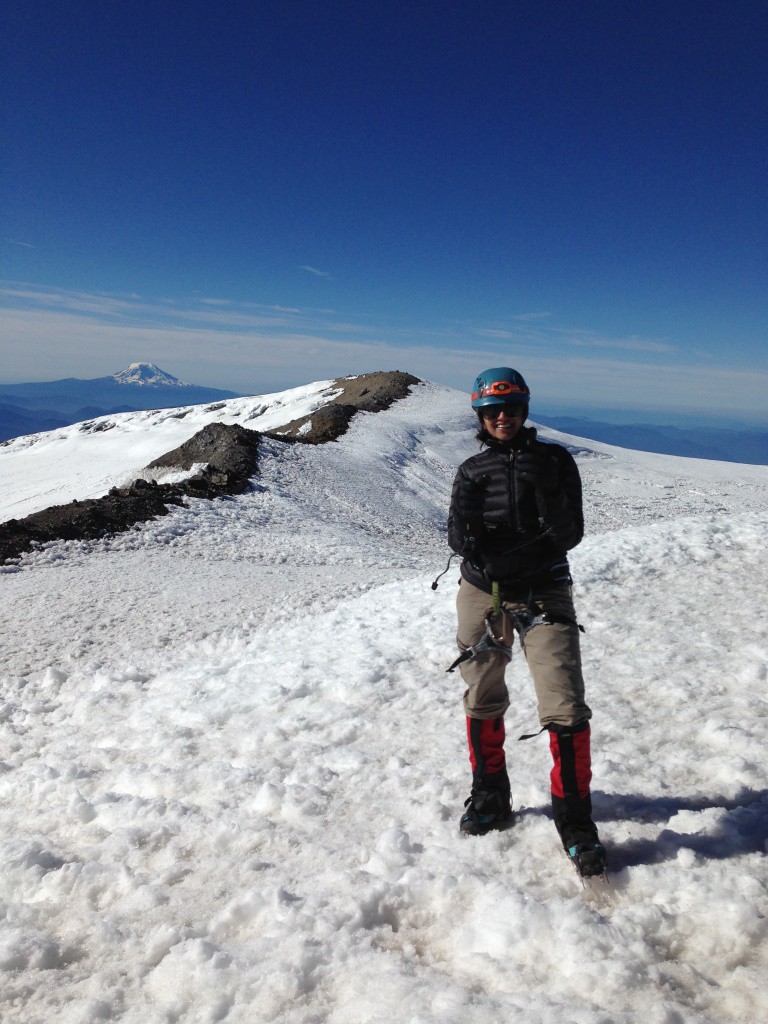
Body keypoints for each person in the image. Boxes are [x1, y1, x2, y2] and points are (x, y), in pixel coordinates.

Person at [447, 366, 606, 877]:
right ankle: (489, 794)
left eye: (511, 408)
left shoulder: (555, 462)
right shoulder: (473, 470)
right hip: (483, 589)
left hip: (543, 589)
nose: (502, 417)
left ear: (525, 410)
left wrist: (546, 491)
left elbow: (571, 533)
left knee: (563, 702)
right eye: (493, 410)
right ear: (480, 414)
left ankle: (576, 823)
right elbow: (455, 533)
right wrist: (470, 539)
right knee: (482, 693)